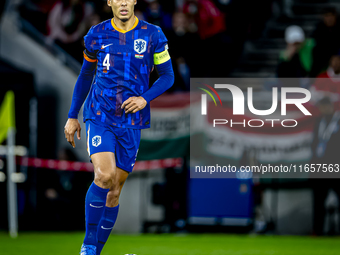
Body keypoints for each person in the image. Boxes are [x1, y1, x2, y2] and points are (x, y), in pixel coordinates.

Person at [63, 0, 174, 254]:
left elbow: (168, 76)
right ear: (109, 2)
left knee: (114, 191)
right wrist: (72, 115)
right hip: (100, 115)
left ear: (134, 1)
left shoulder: (153, 35)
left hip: (131, 123)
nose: (123, 2)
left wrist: (144, 98)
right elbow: (85, 75)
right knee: (104, 175)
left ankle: (97, 251)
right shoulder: (97, 34)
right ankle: (88, 246)